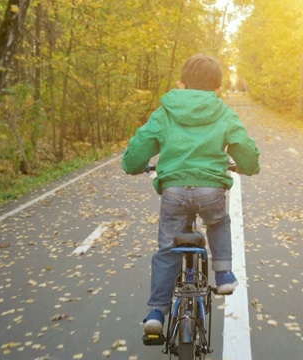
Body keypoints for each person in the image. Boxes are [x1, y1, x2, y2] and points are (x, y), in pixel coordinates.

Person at [121, 54, 260, 336]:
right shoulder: (223, 112)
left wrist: (134, 166)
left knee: (166, 249)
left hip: (174, 193)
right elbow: (245, 150)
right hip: (211, 191)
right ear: (218, 89)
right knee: (218, 221)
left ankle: (157, 312)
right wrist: (247, 166)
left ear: (181, 84)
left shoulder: (164, 112)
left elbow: (137, 151)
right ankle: (223, 275)